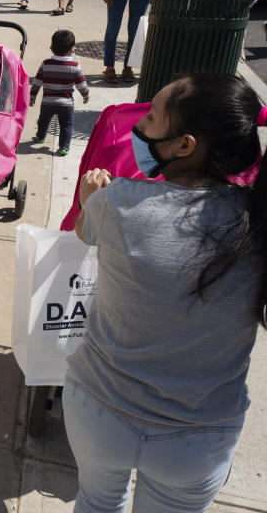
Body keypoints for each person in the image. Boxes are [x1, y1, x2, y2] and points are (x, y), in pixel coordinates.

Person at [65, 73, 267, 511]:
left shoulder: (116, 201)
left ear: (184, 146)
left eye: (153, 118)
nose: (142, 126)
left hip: (100, 409)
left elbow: (84, 233)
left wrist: (87, 198)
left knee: (96, 502)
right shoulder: (259, 223)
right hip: (200, 437)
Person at [30, 30, 89, 156]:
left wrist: (32, 96)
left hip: (47, 103)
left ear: (51, 48)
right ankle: (64, 147)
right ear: (73, 49)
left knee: (43, 121)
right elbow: (81, 85)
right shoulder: (74, 66)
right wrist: (86, 95)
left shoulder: (46, 64)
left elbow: (37, 82)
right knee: (66, 126)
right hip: (66, 105)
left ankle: (40, 137)